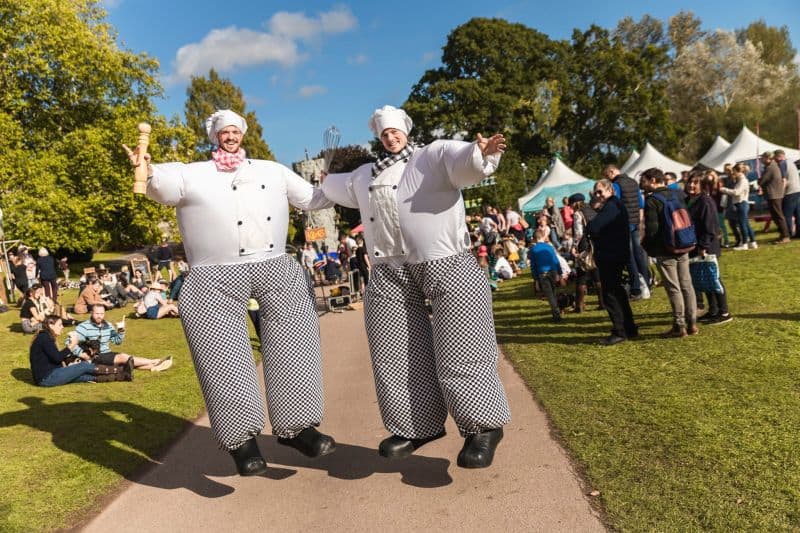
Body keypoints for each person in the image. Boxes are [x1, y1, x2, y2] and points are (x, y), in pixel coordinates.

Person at [128, 108, 336, 476]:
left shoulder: (271, 170)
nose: (230, 136)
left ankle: (298, 428)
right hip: (213, 275)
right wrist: (146, 166)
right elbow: (158, 184)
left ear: (243, 134)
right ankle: (242, 443)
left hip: (275, 265)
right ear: (215, 136)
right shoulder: (191, 173)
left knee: (296, 344)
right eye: (223, 131)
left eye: (234, 130)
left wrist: (332, 183)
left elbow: (313, 199)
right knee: (222, 356)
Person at [322, 105, 510, 468]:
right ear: (379, 138)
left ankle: (483, 427)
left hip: (445, 259)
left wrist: (481, 154)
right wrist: (325, 179)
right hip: (389, 267)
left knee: (463, 343)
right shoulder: (364, 175)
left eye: (395, 131)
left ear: (406, 131)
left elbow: (462, 162)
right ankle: (416, 425)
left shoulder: (432, 155)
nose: (390, 137)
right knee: (394, 348)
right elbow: (336, 187)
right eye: (384, 134)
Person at [640, 168, 698, 338]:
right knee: (687, 284)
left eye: (644, 181)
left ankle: (679, 325)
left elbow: (652, 230)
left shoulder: (652, 201)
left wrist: (648, 248)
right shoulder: (677, 194)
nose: (642, 185)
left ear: (652, 180)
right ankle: (692, 322)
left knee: (673, 287)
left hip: (665, 249)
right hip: (683, 242)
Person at [586, 179, 638, 345]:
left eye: (601, 191)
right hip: (614, 253)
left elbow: (593, 228)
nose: (598, 195)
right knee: (618, 293)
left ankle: (620, 331)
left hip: (611, 255)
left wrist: (593, 218)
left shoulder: (612, 206)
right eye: (596, 192)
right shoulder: (614, 206)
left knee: (611, 294)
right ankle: (629, 328)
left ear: (611, 191)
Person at [685, 172, 732, 325]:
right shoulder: (689, 200)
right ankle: (713, 310)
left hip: (707, 247)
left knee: (714, 279)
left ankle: (724, 312)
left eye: (695, 183)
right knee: (704, 279)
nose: (691, 185)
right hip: (695, 246)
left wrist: (703, 246)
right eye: (690, 182)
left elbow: (710, 227)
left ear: (702, 185)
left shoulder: (705, 201)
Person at [70, 304, 172, 372]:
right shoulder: (84, 327)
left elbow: (117, 341)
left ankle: (153, 367)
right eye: (97, 313)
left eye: (102, 314)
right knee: (123, 357)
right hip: (95, 356)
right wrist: (82, 354)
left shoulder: (108, 325)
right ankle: (155, 361)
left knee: (125, 364)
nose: (99, 316)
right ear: (91, 313)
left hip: (106, 354)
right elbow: (69, 342)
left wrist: (121, 331)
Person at [603, 164, 650, 299]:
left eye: (607, 176)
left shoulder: (616, 185)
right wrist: (640, 222)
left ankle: (636, 288)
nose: (608, 179)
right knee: (639, 254)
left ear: (611, 172)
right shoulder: (633, 183)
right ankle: (647, 284)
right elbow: (641, 204)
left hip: (624, 224)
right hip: (635, 222)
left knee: (628, 257)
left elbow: (614, 204)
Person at [30, 315, 99, 386]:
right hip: (47, 377)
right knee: (84, 365)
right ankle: (109, 369)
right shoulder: (44, 338)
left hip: (48, 376)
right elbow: (57, 358)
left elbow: (55, 358)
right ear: (51, 325)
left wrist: (67, 366)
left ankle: (105, 377)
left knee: (81, 375)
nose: (62, 327)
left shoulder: (45, 336)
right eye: (59, 325)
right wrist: (72, 345)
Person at [569, 193, 602, 312]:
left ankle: (579, 306)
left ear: (575, 203)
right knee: (597, 274)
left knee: (581, 275)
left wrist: (573, 246)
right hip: (597, 244)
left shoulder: (578, 214)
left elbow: (578, 233)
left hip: (584, 245)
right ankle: (602, 302)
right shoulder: (593, 210)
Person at [528, 227, 563, 322]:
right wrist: (560, 273)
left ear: (534, 239)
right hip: (553, 271)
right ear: (543, 236)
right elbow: (556, 260)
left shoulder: (533, 250)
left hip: (542, 273)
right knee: (554, 291)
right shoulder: (549, 247)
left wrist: (535, 280)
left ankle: (556, 314)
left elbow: (533, 266)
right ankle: (557, 310)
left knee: (549, 294)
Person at [720, 163, 756, 250]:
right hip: (741, 203)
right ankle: (753, 242)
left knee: (742, 224)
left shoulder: (742, 180)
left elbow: (736, 192)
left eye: (734, 171)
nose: (733, 173)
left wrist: (724, 189)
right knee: (746, 224)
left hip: (741, 203)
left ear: (737, 171)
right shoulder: (741, 180)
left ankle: (744, 244)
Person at [757, 151, 790, 243]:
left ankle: (785, 236)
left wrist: (759, 180)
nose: (761, 160)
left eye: (762, 158)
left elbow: (762, 181)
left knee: (778, 216)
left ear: (768, 158)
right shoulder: (772, 166)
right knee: (776, 216)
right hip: (774, 194)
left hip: (774, 195)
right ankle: (783, 235)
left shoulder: (770, 168)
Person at [775, 149, 800, 238]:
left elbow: (783, 179)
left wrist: (780, 193)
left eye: (775, 158)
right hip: (797, 190)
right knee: (798, 214)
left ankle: (788, 234)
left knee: (787, 215)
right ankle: (798, 233)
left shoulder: (782, 164)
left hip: (790, 192)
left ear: (778, 156)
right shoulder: (790, 162)